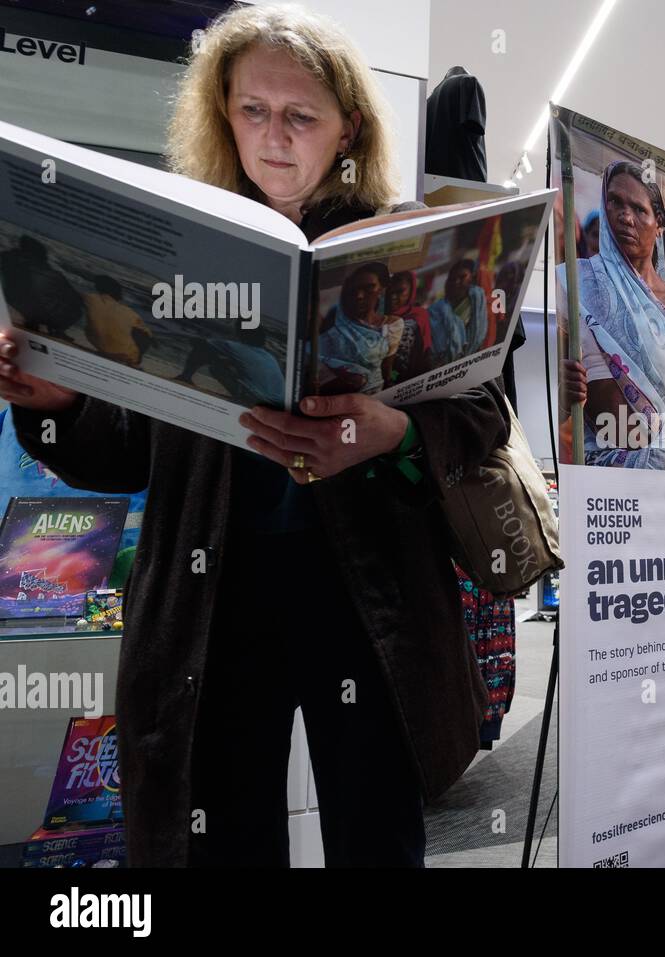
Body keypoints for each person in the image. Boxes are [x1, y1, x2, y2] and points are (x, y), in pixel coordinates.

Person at [0, 4, 508, 868]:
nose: (274, 138)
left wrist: (390, 432)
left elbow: (483, 416)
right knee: (218, 827)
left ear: (348, 123)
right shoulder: (179, 242)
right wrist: (59, 400)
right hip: (213, 587)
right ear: (221, 111)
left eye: (301, 115)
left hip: (368, 589)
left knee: (374, 828)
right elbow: (126, 449)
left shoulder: (406, 239)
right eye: (251, 110)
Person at [557, 161, 665, 471]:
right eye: (615, 202)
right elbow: (557, 396)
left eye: (638, 209)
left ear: (658, 224)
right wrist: (563, 393)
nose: (625, 217)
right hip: (602, 483)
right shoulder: (572, 284)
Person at [318, 261, 403, 394]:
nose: (360, 296)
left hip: (374, 394)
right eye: (355, 289)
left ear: (382, 289)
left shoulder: (392, 326)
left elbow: (387, 368)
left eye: (369, 288)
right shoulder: (336, 320)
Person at [175, 325, 284, 407]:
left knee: (211, 361)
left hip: (256, 401)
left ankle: (186, 376)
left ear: (241, 334)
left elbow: (199, 343)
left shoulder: (235, 347)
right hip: (278, 404)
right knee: (226, 362)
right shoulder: (269, 357)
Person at [82, 275, 153, 367]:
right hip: (123, 354)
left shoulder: (90, 298)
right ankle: (134, 361)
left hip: (97, 343)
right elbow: (147, 334)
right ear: (118, 293)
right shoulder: (129, 312)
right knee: (144, 333)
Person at [431, 258, 488, 355]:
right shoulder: (439, 308)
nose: (457, 282)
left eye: (462, 277)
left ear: (472, 277)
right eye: (453, 278)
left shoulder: (478, 302)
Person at [386, 270, 434, 382]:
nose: (393, 296)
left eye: (400, 291)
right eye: (390, 291)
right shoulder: (380, 315)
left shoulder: (418, 316)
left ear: (411, 291)